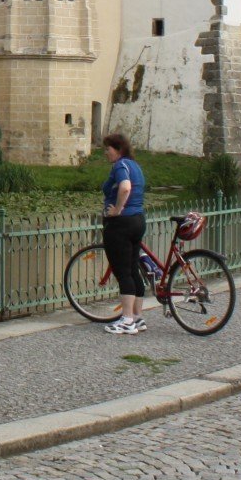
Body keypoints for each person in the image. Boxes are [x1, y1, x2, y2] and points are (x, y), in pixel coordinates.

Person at [98, 132, 148, 334]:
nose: (105, 153)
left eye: (108, 149)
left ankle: (126, 320)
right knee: (133, 269)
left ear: (118, 150)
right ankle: (137, 317)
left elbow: (125, 188)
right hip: (137, 220)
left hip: (121, 224)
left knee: (122, 272)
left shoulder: (120, 166)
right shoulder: (135, 165)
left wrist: (117, 210)